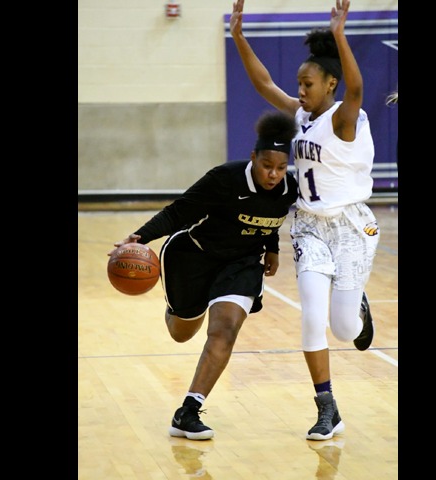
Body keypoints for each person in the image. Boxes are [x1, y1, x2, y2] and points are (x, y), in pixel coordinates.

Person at [230, 0, 380, 441]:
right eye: (298, 82)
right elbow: (263, 84)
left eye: (308, 83)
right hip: (311, 227)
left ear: (329, 84)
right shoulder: (301, 116)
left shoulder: (345, 118)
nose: (299, 89)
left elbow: (357, 88)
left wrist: (340, 35)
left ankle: (359, 308)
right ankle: (327, 408)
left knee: (345, 328)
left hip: (351, 228)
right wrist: (239, 37)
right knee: (312, 319)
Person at [109, 110, 299, 440]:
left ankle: (188, 411)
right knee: (181, 333)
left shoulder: (287, 190)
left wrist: (272, 248)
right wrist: (138, 238)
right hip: (193, 256)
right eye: (267, 166)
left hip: (240, 264)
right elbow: (177, 212)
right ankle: (177, 307)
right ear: (253, 157)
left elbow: (270, 217)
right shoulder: (224, 178)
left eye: (281, 168)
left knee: (224, 329)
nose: (273, 174)